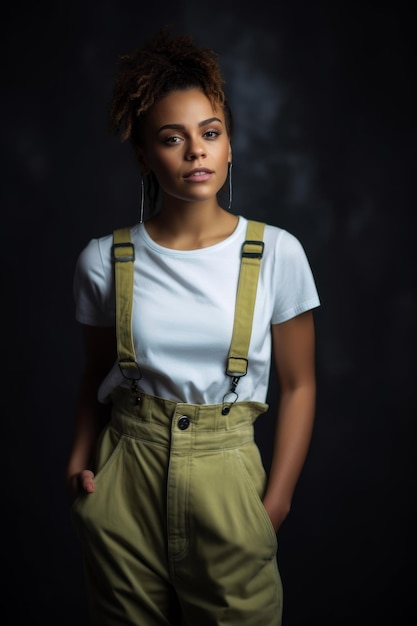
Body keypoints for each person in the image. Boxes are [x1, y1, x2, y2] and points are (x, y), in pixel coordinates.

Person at [65, 26, 320, 626]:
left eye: (210, 134)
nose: (196, 152)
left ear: (229, 145)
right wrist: (78, 464)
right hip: (127, 469)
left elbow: (301, 384)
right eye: (172, 139)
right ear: (145, 155)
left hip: (227, 474)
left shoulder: (277, 253)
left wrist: (274, 503)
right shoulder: (105, 259)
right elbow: (95, 373)